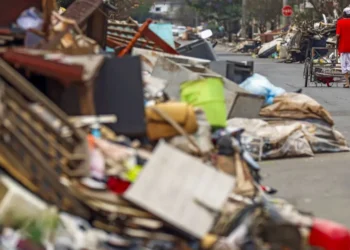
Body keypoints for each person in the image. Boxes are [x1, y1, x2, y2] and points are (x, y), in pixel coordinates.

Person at [336, 7, 350, 88]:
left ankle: (347, 83)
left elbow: (338, 35)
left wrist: (336, 42)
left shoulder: (340, 22)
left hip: (343, 47)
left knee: (344, 65)